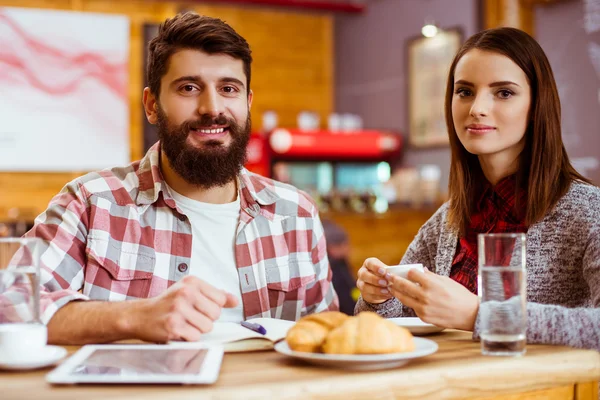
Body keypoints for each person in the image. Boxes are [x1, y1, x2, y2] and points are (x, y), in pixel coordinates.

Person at [5, 12, 338, 345]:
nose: (212, 107)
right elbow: (11, 306)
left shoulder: (297, 213)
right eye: (189, 87)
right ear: (152, 105)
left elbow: (330, 335)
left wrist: (380, 302)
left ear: (248, 103)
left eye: (228, 88)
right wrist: (135, 317)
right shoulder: (91, 203)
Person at [355, 27, 600, 350]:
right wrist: (377, 297)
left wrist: (479, 314)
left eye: (504, 93)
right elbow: (385, 328)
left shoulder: (588, 211)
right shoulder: (448, 220)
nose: (476, 108)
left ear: (537, 105)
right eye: (465, 91)